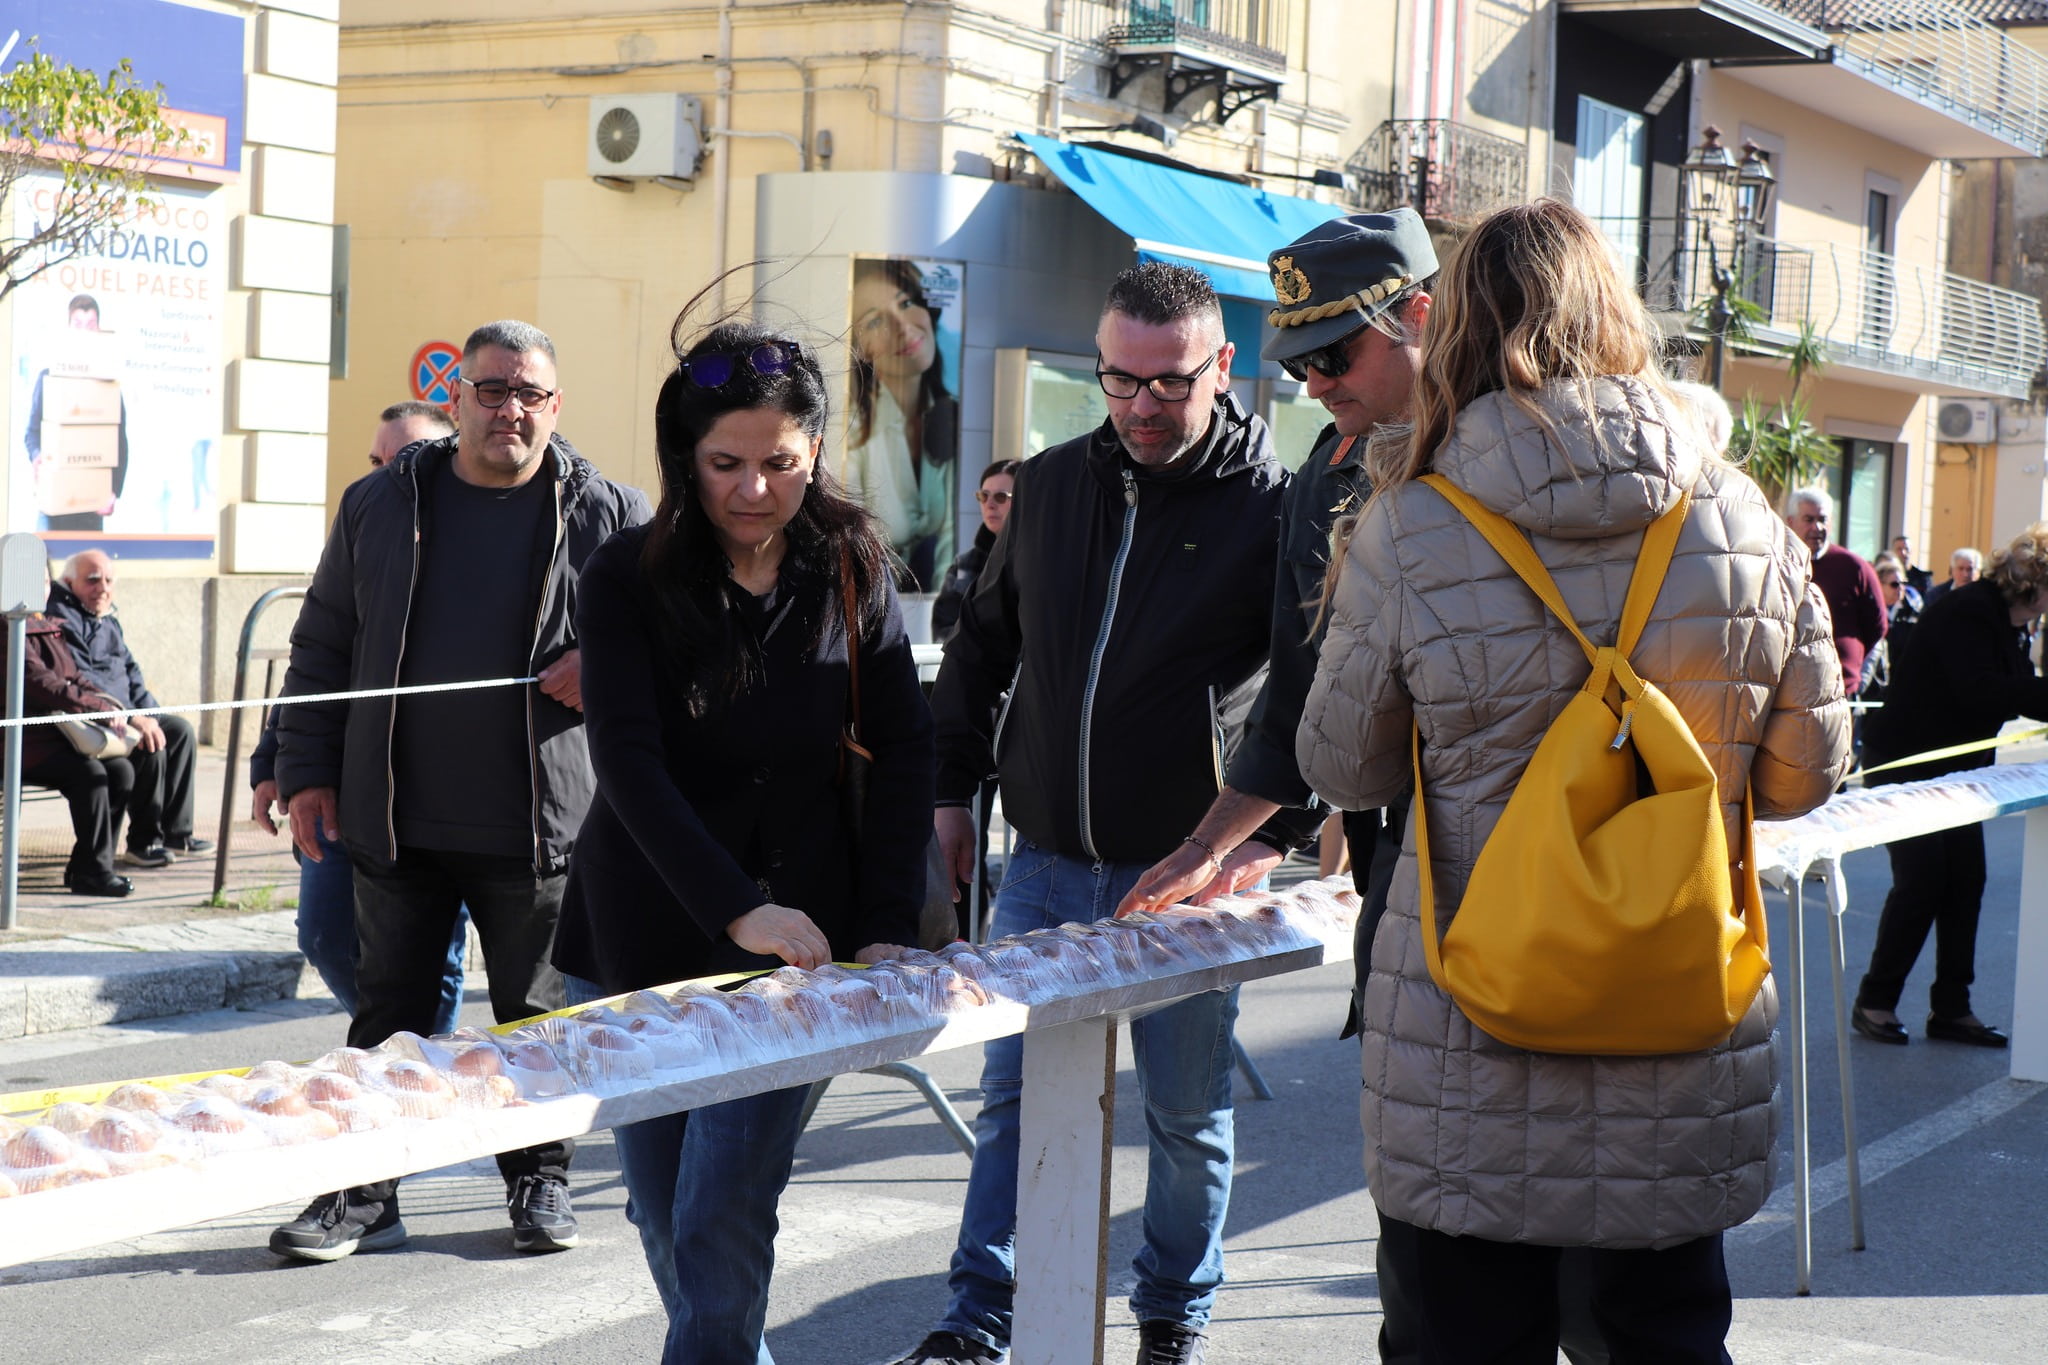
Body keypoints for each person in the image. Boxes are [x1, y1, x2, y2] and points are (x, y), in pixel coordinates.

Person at [1297, 200, 1851, 1362]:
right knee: (1660, 1341)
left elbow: (1340, 764)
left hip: (1466, 1033)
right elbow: (1804, 777)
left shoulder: (1410, 524)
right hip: (1676, 1026)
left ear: (1455, 329)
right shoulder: (1744, 518)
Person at [896, 263, 1299, 1365]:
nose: (1139, 405)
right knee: (1014, 1098)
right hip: (1043, 857)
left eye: (1168, 382)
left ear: (1223, 365)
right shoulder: (1049, 483)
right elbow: (981, 650)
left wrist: (1275, 830)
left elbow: (1317, 683)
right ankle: (978, 1315)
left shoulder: (1274, 505)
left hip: (1189, 872)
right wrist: (949, 791)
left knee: (1183, 1113)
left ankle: (1171, 1314)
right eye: (1118, 379)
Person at [552, 318, 934, 1362]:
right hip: (644, 933)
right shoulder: (626, 573)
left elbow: (904, 748)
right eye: (726, 464)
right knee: (663, 1211)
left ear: (816, 451)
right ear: (686, 458)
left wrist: (888, 921)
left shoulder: (852, 562)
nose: (755, 490)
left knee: (720, 1211)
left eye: (782, 463)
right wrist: (735, 907)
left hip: (801, 950)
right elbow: (627, 763)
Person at [1111, 211, 1441, 1365]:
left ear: (1416, 314)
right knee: (1424, 1205)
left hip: (1550, 877)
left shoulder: (1510, 449)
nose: (1311, 384)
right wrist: (1214, 844)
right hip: (1413, 877)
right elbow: (1299, 695)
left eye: (1332, 355)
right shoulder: (1329, 468)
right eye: (1295, 361)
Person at [269, 319, 650, 1262]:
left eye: (530, 394)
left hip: (540, 826)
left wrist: (604, 660)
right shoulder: (379, 503)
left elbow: (677, 640)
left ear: (555, 407)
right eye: (492, 389)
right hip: (397, 821)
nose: (510, 409)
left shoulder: (613, 513)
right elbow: (322, 642)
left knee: (537, 1018)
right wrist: (304, 768)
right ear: (457, 396)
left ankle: (540, 1179)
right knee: (385, 1024)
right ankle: (364, 1193)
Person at [249, 400, 469, 1035]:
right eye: (376, 460)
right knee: (323, 935)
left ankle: (423, 1060)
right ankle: (407, 1048)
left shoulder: (473, 541)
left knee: (432, 953)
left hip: (435, 800)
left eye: (403, 458)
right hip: (340, 786)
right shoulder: (360, 525)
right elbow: (315, 657)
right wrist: (274, 761)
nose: (386, 473)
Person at [1850, 523, 2048, 1050]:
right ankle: (1875, 1000)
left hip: (1958, 774)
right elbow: (1983, 691)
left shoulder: (2011, 622)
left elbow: (2012, 690)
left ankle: (1952, 1008)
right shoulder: (1972, 612)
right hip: (1905, 762)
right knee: (1923, 880)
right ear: (2034, 585)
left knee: (1966, 880)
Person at [45, 550, 210, 869]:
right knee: (148, 745)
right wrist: (134, 718)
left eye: (109, 581)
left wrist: (149, 715)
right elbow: (83, 680)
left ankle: (177, 833)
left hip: (127, 712)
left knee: (179, 732)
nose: (103, 588)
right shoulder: (62, 620)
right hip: (94, 718)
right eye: (92, 580)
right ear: (69, 582)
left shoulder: (108, 620)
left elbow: (132, 674)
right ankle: (144, 842)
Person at [2, 576, 137, 898]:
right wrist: (96, 708)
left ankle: (88, 866)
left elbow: (73, 677)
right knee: (89, 775)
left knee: (120, 771)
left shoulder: (46, 623)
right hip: (19, 741)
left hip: (55, 736)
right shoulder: (8, 628)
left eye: (45, 580)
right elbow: (40, 683)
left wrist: (108, 705)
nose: (40, 587)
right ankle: (94, 874)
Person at [843, 259, 959, 588]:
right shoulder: (851, 428)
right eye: (876, 320)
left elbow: (952, 543)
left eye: (906, 303)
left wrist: (944, 611)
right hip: (869, 599)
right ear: (860, 349)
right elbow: (848, 549)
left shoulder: (951, 415)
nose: (903, 327)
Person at [25, 294, 128, 533]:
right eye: (78, 325)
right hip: (52, 504)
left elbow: (120, 444)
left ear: (99, 330)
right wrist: (37, 455)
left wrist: (114, 491)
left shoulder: (108, 386)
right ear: (69, 329)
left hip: (91, 507)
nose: (84, 332)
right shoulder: (49, 378)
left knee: (88, 558)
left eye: (90, 325)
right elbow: (32, 432)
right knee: (46, 557)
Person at [1786, 486, 1885, 697]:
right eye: (1809, 519)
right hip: (1788, 687)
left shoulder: (1854, 567)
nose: (1817, 527)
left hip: (1840, 688)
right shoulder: (1779, 563)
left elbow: (1877, 625)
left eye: (1822, 520)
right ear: (1790, 522)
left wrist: (1851, 663)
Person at [930, 459, 1019, 643]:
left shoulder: (1040, 561)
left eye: (1001, 497)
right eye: (984, 496)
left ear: (1023, 499)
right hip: (974, 660)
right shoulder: (964, 565)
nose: (990, 504)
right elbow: (943, 629)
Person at [1862, 552, 1921, 704]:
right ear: (1879, 585)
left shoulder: (1914, 613)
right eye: (1894, 584)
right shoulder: (1868, 612)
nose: (1900, 588)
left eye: (1903, 583)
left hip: (1902, 687)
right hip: (1873, 689)